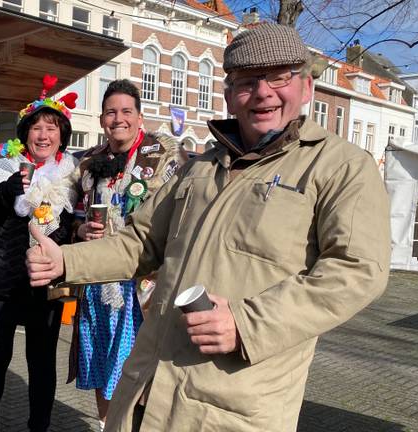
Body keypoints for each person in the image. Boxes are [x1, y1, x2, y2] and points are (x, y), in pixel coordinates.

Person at [26, 23, 390, 431]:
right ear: (230, 94)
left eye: (279, 77)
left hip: (227, 407)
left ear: (306, 87)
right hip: (145, 392)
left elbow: (358, 269)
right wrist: (65, 260)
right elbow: (141, 243)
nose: (264, 92)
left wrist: (246, 324)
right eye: (248, 81)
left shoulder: (341, 167)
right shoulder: (199, 167)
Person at [70, 79, 178, 432]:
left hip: (142, 285)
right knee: (102, 366)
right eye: (111, 112)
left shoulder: (163, 154)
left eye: (126, 111)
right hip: (97, 284)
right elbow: (69, 213)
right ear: (102, 120)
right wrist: (80, 231)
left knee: (140, 367)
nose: (119, 119)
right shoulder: (88, 162)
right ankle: (106, 425)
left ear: (139, 116)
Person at [0, 75, 79, 432]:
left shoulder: (71, 177)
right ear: (25, 134)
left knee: (42, 362)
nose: (43, 135)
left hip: (44, 282)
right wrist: (8, 189)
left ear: (61, 134)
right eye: (36, 127)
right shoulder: (3, 167)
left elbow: (73, 229)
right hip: (2, 280)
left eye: (51, 127)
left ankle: (39, 426)